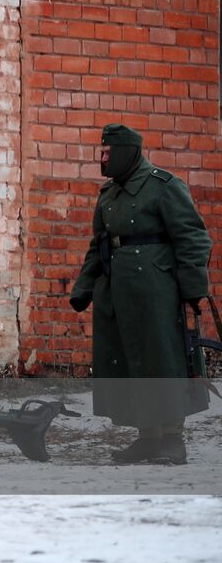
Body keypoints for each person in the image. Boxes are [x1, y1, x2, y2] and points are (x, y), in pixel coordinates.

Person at [69, 123, 212, 465]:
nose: (102, 158)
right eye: (101, 152)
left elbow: (193, 238)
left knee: (162, 362)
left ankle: (172, 439)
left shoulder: (163, 186)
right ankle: (148, 437)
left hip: (156, 293)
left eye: (107, 152)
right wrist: (83, 288)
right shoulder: (109, 195)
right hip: (117, 293)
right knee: (129, 364)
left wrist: (194, 290)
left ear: (125, 152)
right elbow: (98, 245)